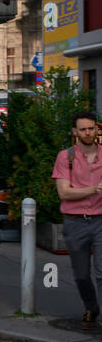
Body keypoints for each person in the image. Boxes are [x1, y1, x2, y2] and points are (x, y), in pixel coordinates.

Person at [53, 111, 102, 328]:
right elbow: (64, 193)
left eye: (91, 128)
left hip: (101, 220)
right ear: (75, 132)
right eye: (83, 129)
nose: (88, 133)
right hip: (75, 222)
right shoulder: (66, 157)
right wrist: (94, 189)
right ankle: (91, 306)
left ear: (97, 129)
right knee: (82, 275)